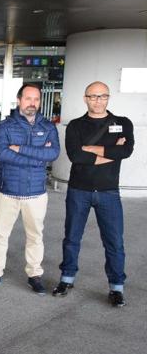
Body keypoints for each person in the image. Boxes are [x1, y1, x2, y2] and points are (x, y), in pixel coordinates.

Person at [52, 81, 134, 307]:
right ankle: (66, 279)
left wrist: (90, 149)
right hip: (79, 190)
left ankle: (116, 287)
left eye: (103, 96)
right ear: (85, 98)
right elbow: (75, 155)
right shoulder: (75, 125)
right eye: (93, 96)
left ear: (108, 98)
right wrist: (111, 152)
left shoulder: (122, 122)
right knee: (72, 238)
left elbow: (125, 150)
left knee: (114, 242)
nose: (98, 101)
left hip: (109, 192)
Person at [0, 84, 60, 295]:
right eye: (28, 98)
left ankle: (34, 275)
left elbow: (53, 154)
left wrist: (21, 149)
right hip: (7, 190)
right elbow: (3, 154)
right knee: (0, 235)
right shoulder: (6, 126)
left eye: (36, 99)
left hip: (36, 193)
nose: (32, 103)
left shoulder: (48, 126)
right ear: (19, 100)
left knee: (35, 236)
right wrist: (37, 156)